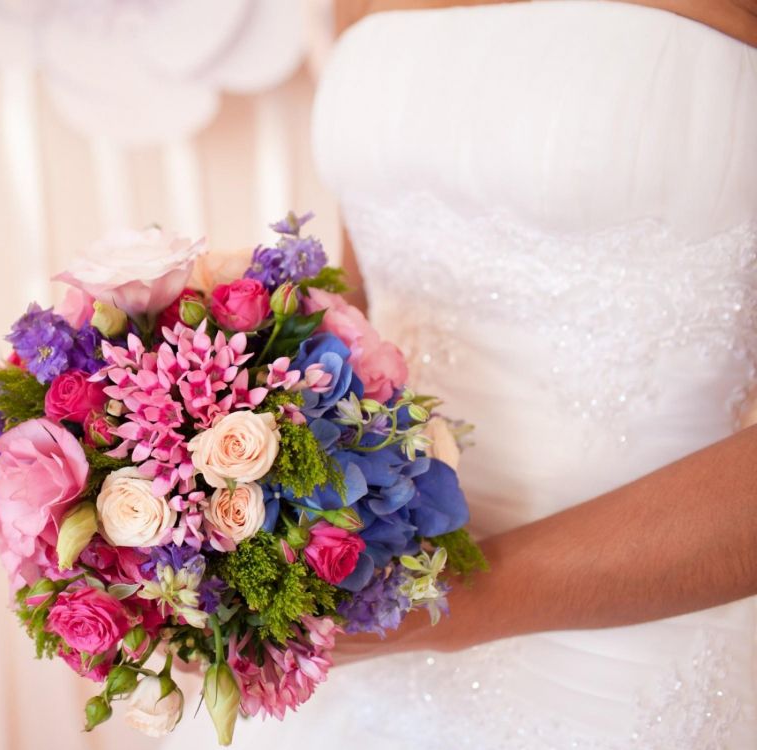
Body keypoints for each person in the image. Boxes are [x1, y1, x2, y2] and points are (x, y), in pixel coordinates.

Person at [171, 1, 757, 746]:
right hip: (364, 619)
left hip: (622, 649)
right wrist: (190, 472)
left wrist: (449, 606)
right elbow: (373, 305)